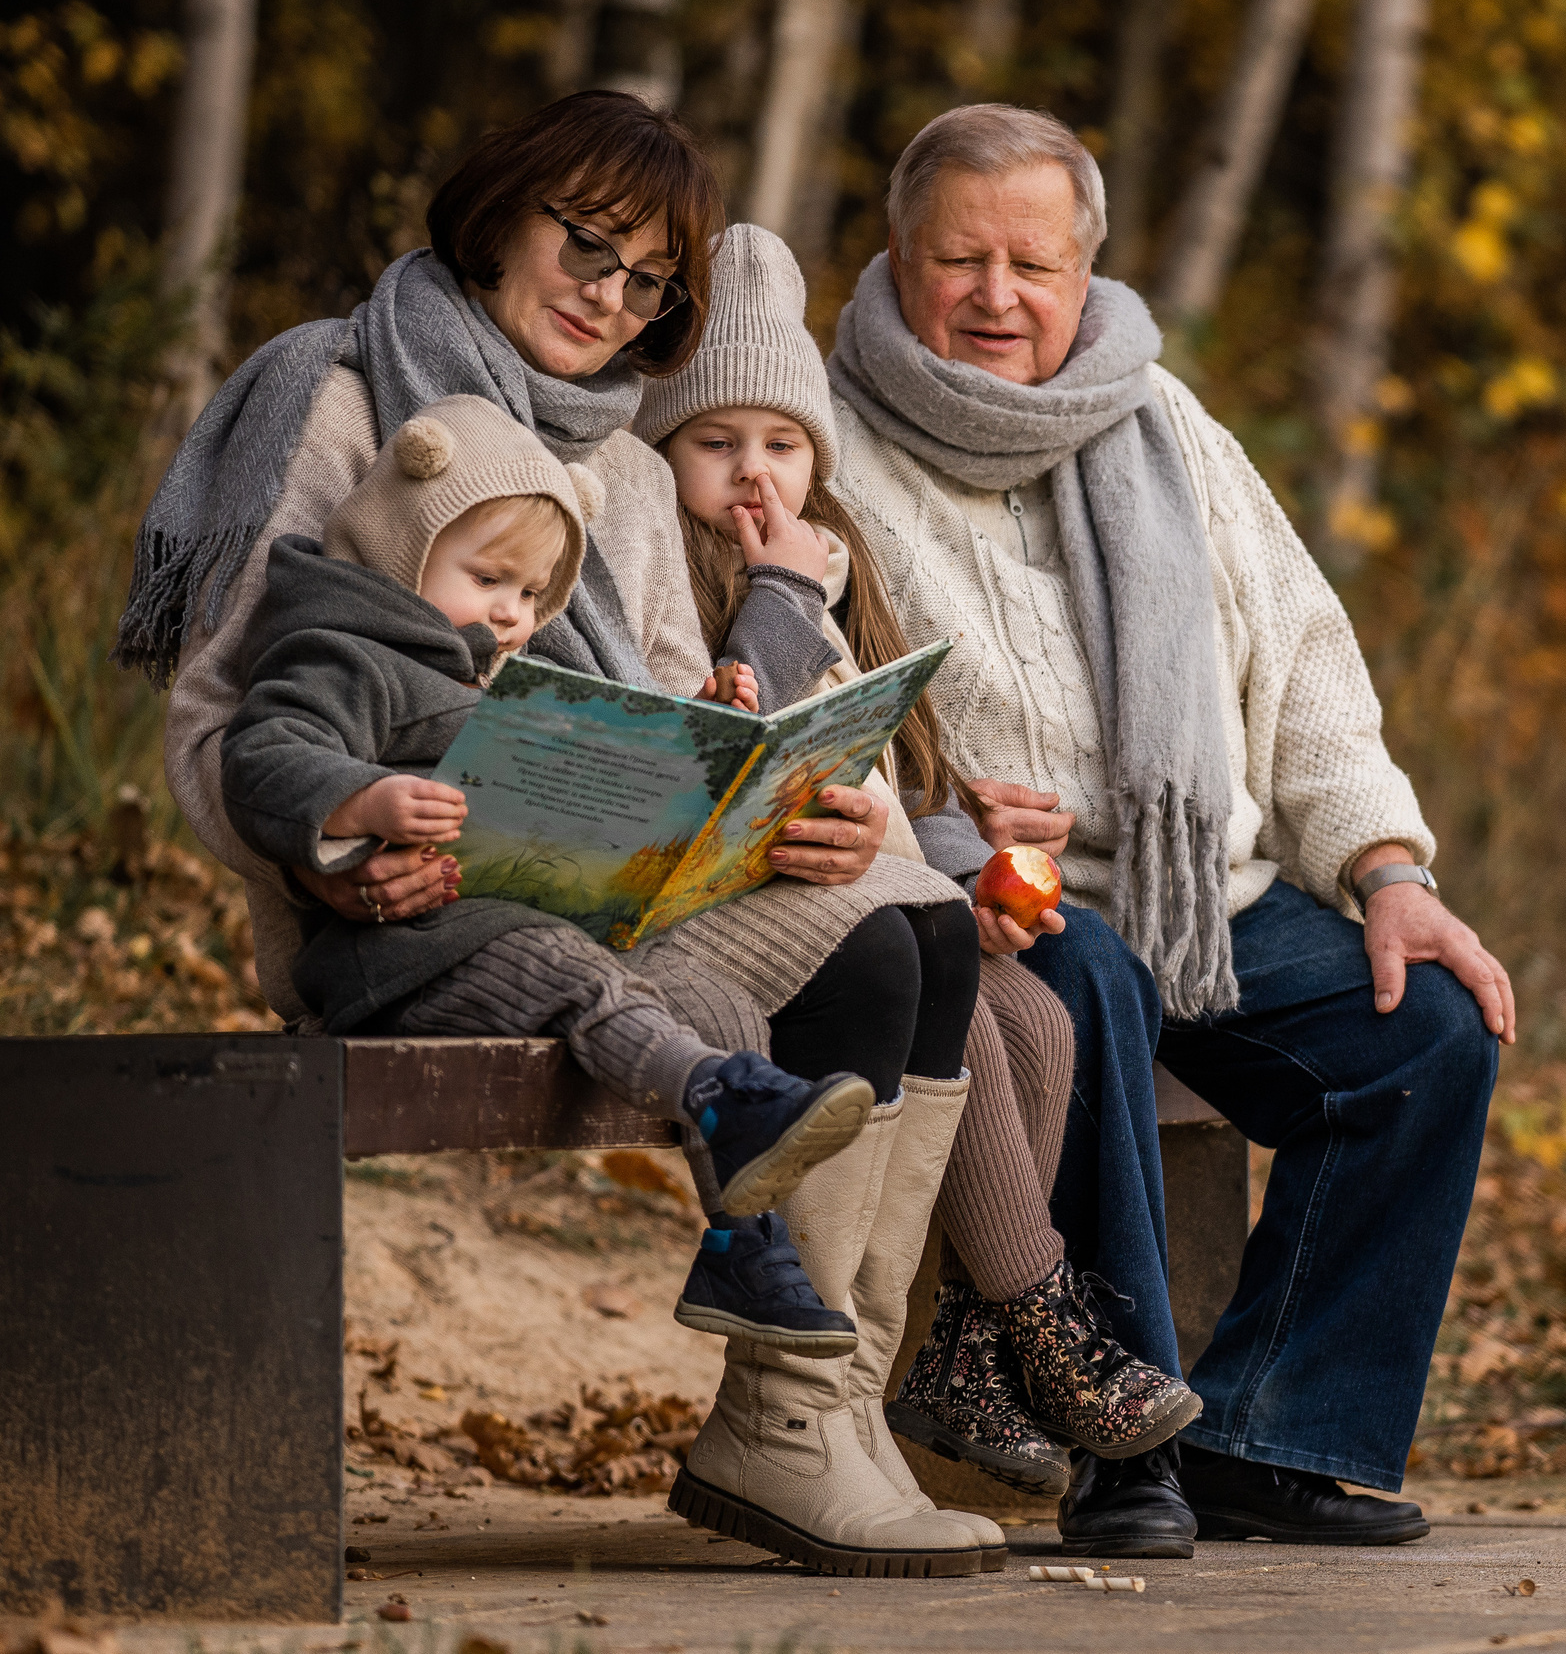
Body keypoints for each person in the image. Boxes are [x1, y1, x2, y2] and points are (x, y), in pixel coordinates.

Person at [127, 91, 999, 1578]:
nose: (612, 294)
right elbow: (221, 727)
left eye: (651, 277)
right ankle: (796, 1426)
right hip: (408, 915)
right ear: (495, 220)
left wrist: (779, 799)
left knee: (918, 912)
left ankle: (819, 1411)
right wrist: (333, 848)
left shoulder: (622, 460)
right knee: (888, 935)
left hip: (604, 888)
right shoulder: (347, 403)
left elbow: (667, 712)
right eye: (586, 245)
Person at [828, 104, 1516, 1556]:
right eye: (959, 258)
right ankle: (1119, 1440)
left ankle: (1272, 1433)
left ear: (1088, 270)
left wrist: (1389, 870)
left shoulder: (1163, 423)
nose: (997, 296)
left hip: (1208, 886)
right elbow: (807, 686)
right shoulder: (823, 437)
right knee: (1084, 986)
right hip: (1003, 900)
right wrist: (939, 834)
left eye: (1034, 262)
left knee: (1430, 1028)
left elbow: (1305, 663)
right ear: (896, 259)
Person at [632, 225, 1198, 1512]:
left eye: (781, 448)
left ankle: (947, 1364)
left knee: (1041, 1023)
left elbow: (901, 773)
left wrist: (962, 862)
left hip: (875, 895)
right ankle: (1040, 1323)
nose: (753, 479)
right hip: (751, 928)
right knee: (988, 1029)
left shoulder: (835, 568)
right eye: (716, 447)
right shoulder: (681, 574)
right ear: (664, 457)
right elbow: (697, 768)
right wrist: (775, 597)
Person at [220, 392, 876, 1259]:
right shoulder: (347, 651)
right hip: (403, 958)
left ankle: (745, 1250)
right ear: (400, 548)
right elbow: (261, 753)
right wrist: (361, 799)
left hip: (522, 921)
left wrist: (691, 731)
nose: (510, 612)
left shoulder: (491, 675)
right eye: (487, 579)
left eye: (531, 592)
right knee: (567, 970)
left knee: (714, 999)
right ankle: (717, 1098)